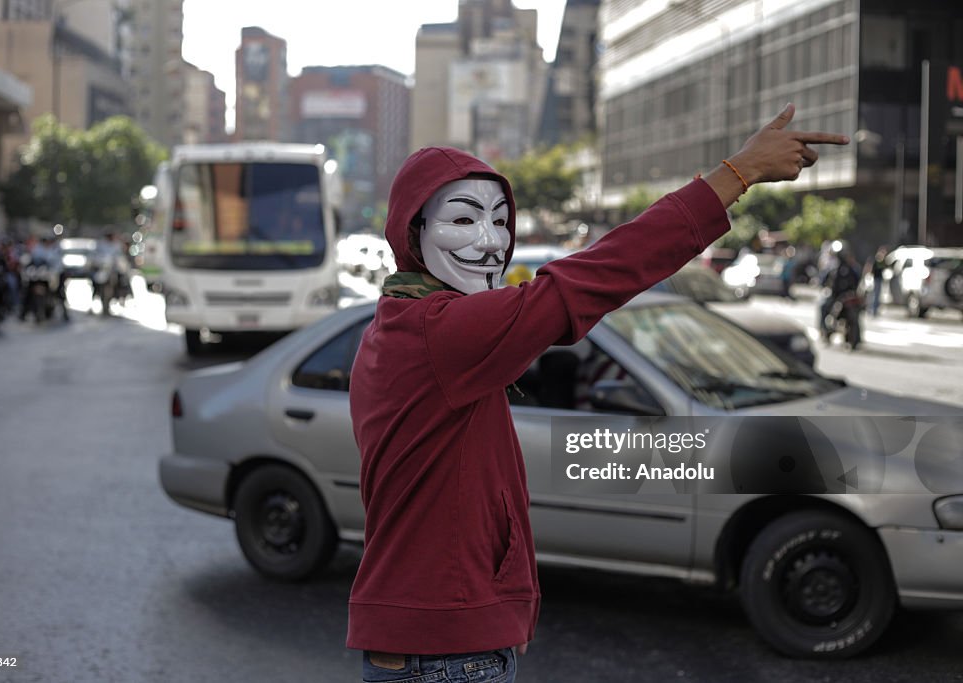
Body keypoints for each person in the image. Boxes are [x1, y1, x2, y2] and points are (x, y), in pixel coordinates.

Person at [348, 104, 848, 682]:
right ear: (412, 235)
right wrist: (735, 175)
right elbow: (596, 275)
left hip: (445, 643)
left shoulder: (405, 323)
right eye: (462, 221)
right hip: (445, 653)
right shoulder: (443, 332)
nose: (489, 242)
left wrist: (504, 610)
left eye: (500, 220)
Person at [818, 241, 861, 338]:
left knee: (857, 312)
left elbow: (858, 280)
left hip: (845, 296)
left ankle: (825, 330)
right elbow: (824, 280)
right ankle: (824, 330)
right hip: (837, 295)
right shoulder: (834, 268)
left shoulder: (851, 267)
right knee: (823, 306)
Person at [863, 244, 888, 316]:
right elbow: (870, 268)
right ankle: (872, 309)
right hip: (874, 279)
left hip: (879, 279)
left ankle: (874, 309)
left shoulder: (883, 260)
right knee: (873, 295)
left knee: (877, 295)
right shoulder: (876, 259)